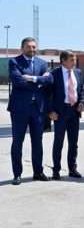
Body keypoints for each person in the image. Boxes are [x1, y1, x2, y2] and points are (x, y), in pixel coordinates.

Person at [8, 37, 52, 185]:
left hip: (37, 109)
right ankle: (17, 174)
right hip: (19, 109)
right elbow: (18, 81)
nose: (32, 49)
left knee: (37, 142)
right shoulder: (14, 62)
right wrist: (40, 81)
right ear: (22, 48)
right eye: (28, 47)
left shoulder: (42, 63)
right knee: (17, 142)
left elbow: (49, 80)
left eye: (34, 47)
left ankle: (38, 172)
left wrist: (33, 78)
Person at [48, 50, 84, 180]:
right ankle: (56, 170)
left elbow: (81, 89)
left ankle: (72, 168)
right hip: (60, 112)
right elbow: (48, 94)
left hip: (74, 112)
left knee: (73, 142)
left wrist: (82, 102)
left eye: (74, 60)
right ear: (63, 61)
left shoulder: (78, 73)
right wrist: (50, 111)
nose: (74, 62)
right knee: (59, 142)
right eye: (71, 60)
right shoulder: (54, 74)